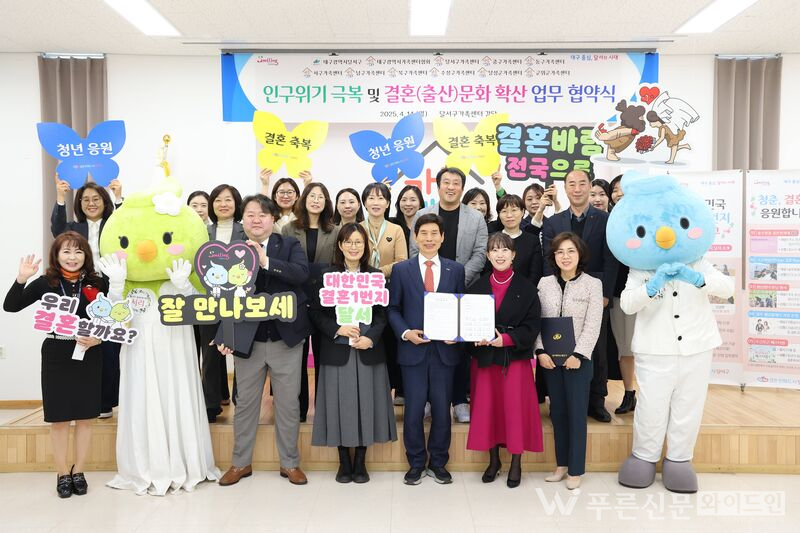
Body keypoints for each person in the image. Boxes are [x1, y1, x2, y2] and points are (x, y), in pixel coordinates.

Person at [217, 194, 312, 487]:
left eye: (262, 215)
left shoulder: (290, 244)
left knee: (288, 403)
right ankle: (240, 463)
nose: (256, 220)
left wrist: (265, 260)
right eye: (250, 215)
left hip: (286, 338)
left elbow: (301, 274)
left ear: (273, 219)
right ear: (242, 220)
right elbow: (222, 295)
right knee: (245, 403)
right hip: (248, 339)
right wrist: (224, 335)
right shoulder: (231, 250)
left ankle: (290, 463)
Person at [4, 232, 106, 498]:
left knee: (85, 418)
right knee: (59, 419)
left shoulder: (97, 282)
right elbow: (11, 306)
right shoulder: (45, 283)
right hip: (56, 354)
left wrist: (99, 338)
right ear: (56, 255)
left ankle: (79, 471)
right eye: (66, 252)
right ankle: (62, 473)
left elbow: (112, 318)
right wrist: (21, 279)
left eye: (78, 252)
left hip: (89, 352)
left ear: (86, 255)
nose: (72, 257)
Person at [310, 223, 398, 484]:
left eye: (358, 242)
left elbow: (382, 314)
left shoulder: (375, 276)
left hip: (367, 349)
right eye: (348, 241)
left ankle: (360, 461)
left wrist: (371, 338)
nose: (353, 246)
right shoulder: (327, 276)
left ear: (365, 246)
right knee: (339, 406)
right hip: (337, 350)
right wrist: (337, 329)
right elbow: (315, 312)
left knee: (366, 406)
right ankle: (343, 462)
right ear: (340, 245)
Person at [388, 213, 465, 485]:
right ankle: (416, 463)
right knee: (414, 409)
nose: (429, 238)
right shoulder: (401, 270)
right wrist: (406, 333)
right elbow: (393, 309)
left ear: (442, 238)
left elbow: (460, 306)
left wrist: (458, 333)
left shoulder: (456, 270)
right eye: (424, 233)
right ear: (415, 237)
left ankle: (439, 462)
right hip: (413, 351)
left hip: (445, 352)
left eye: (434, 233)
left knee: (443, 410)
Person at [410, 167, 487, 423]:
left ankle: (459, 400)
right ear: (438, 186)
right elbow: (414, 251)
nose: (451, 187)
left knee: (458, 347)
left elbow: (480, 253)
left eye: (456, 183)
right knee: (429, 346)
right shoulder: (422, 214)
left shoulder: (475, 218)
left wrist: (455, 278)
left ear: (462, 188)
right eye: (446, 182)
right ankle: (428, 400)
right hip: (427, 290)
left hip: (463, 289)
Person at [466, 233, 543, 488]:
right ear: (488, 255)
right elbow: (467, 324)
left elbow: (532, 326)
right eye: (494, 250)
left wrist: (507, 339)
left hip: (514, 360)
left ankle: (516, 463)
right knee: (488, 410)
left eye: (504, 250)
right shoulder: (476, 287)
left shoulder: (528, 288)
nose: (500, 255)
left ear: (513, 254)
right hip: (485, 360)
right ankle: (493, 460)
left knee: (514, 411)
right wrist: (473, 337)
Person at [542, 169, 619, 422]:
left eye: (582, 183)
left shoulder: (606, 219)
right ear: (565, 188)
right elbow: (547, 261)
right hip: (560, 293)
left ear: (590, 187)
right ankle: (560, 401)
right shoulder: (554, 222)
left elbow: (611, 259)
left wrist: (605, 293)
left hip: (594, 294)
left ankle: (597, 400)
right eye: (572, 184)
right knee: (559, 346)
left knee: (597, 347)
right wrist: (552, 292)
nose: (577, 189)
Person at [50, 177, 123, 420]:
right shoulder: (74, 227)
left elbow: (128, 226)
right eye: (85, 200)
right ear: (79, 204)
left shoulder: (114, 223)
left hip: (111, 288)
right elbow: (57, 229)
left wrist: (119, 197)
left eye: (96, 199)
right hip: (82, 288)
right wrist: (60, 197)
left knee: (109, 345)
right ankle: (84, 399)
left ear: (104, 201)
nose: (91, 203)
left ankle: (106, 402)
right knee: (83, 343)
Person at [536, 232, 603, 490]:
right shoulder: (544, 283)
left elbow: (593, 324)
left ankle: (575, 470)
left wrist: (579, 354)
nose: (565, 256)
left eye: (571, 251)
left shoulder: (592, 284)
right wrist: (540, 351)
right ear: (554, 256)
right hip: (550, 361)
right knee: (558, 412)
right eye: (560, 252)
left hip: (578, 361)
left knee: (576, 414)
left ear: (580, 254)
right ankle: (561, 465)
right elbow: (536, 321)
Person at [282, 182, 338, 422]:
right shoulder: (288, 228)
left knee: (325, 356)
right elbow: (285, 264)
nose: (316, 200)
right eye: (312, 196)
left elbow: (337, 266)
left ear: (326, 202)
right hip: (297, 299)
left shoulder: (335, 230)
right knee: (298, 357)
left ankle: (325, 410)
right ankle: (300, 409)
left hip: (325, 301)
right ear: (303, 200)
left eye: (321, 197)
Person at [202, 184, 245, 422]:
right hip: (209, 301)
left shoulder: (245, 231)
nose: (223, 204)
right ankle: (210, 404)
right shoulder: (203, 231)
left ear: (236, 203)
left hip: (240, 301)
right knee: (210, 355)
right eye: (218, 200)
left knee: (240, 352)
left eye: (228, 199)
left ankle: (241, 400)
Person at [363, 182, 408, 406]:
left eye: (381, 198)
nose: (376, 202)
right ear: (364, 203)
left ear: (388, 203)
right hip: (361, 292)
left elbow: (402, 261)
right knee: (367, 336)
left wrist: (376, 273)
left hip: (388, 291)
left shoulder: (395, 229)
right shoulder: (356, 228)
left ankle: (395, 389)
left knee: (389, 340)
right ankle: (370, 388)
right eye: (371, 198)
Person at [607, 176, 636, 414]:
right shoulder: (608, 221)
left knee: (645, 350)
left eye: (623, 189)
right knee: (624, 348)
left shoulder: (644, 218)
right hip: (618, 293)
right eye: (615, 190)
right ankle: (629, 393)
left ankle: (652, 396)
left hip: (645, 293)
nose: (619, 194)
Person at [486, 194, 542, 285]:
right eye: (504, 211)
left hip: (525, 290)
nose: (509, 215)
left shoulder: (532, 241)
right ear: (499, 214)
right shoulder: (490, 239)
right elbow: (486, 271)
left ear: (523, 212)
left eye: (514, 210)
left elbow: (535, 274)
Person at [261, 169, 313, 234]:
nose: (285, 196)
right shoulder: (270, 215)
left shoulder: (303, 216)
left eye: (290, 192)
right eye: (281, 192)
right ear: (275, 197)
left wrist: (307, 184)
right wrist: (265, 184)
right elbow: (263, 204)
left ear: (297, 196)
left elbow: (310, 203)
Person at [390, 184, 424, 257]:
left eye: (413, 200)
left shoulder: (426, 225)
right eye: (404, 200)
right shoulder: (392, 224)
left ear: (420, 204)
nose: (408, 204)